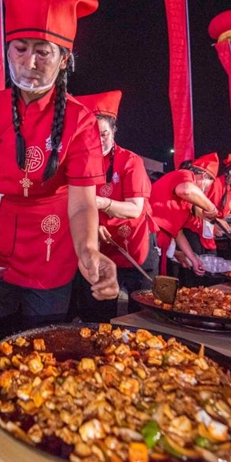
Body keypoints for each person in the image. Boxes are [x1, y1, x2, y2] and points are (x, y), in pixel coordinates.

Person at [0, 0, 118, 358]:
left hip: (51, 246)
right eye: (20, 49)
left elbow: (83, 203)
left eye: (44, 52)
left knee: (41, 349)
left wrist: (89, 251)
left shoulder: (81, 120)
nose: (29, 62)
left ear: (64, 58)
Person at [69, 90, 156, 322]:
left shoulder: (130, 161)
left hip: (133, 248)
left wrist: (97, 203)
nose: (99, 141)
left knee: (140, 317)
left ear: (114, 131)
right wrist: (93, 222)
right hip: (100, 249)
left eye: (104, 134)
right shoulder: (81, 162)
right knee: (98, 318)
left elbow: (135, 209)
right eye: (91, 135)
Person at [150, 153, 220, 278]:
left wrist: (193, 259)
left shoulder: (184, 200)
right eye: (210, 183)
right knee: (145, 290)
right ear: (204, 176)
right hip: (150, 235)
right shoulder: (184, 174)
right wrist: (211, 208)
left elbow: (178, 232)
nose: (206, 190)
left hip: (161, 242)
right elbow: (186, 190)